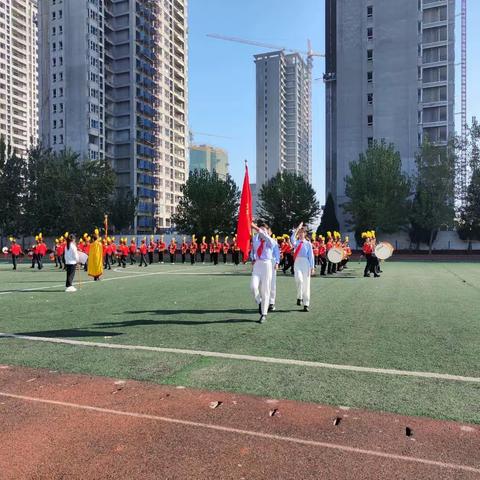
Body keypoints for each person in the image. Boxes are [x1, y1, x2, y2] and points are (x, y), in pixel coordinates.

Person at [251, 221, 277, 324]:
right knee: (253, 286)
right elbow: (253, 251)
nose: (261, 232)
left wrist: (258, 229)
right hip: (257, 264)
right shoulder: (256, 240)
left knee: (265, 290)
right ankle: (259, 301)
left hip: (267, 265)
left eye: (264, 230)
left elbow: (267, 238)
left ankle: (264, 314)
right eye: (260, 230)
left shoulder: (271, 241)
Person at [291, 222, 315, 312]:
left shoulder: (308, 243)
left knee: (306, 284)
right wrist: (298, 228)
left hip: (306, 263)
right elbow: (292, 237)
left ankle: (306, 304)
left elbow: (311, 256)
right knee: (299, 280)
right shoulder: (296, 242)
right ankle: (299, 296)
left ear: (305, 234)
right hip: (297, 262)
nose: (300, 234)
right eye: (299, 233)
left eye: (302, 232)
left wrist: (312, 267)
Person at [269, 231, 280, 312]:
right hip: (262, 262)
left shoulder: (273, 242)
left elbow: (277, 253)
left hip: (272, 262)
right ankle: (263, 301)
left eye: (267, 230)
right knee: (262, 284)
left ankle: (271, 303)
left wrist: (277, 262)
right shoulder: (257, 240)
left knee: (272, 283)